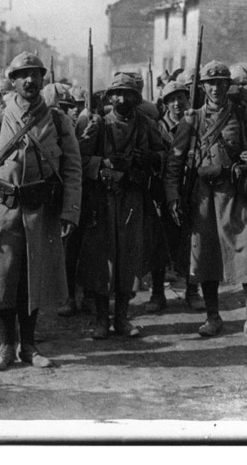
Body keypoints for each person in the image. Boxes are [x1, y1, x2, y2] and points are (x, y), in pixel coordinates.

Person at [0, 52, 82, 370]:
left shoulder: (58, 119)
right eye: (23, 74)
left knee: (33, 281)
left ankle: (29, 346)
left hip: (41, 212)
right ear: (13, 81)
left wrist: (70, 211)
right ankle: (5, 346)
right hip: (3, 211)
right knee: (3, 280)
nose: (30, 80)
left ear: (43, 79)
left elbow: (72, 168)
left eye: (36, 74)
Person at [163, 60, 247, 342]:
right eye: (210, 83)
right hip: (202, 195)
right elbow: (174, 163)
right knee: (206, 255)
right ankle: (213, 317)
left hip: (235, 192)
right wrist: (173, 196)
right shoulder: (191, 119)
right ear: (203, 87)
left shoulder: (241, 114)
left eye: (221, 83)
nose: (216, 88)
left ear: (229, 86)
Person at [77, 72, 168, 337]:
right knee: (101, 262)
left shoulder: (146, 124)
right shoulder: (98, 125)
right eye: (116, 93)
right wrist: (102, 165)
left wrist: (149, 157)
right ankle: (101, 320)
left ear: (136, 97)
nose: (121, 98)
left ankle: (122, 318)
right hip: (103, 200)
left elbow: (166, 155)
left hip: (133, 199)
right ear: (109, 97)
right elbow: (80, 160)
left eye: (128, 93)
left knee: (128, 259)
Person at [156, 80, 203, 311]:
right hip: (159, 189)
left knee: (192, 241)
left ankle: (192, 290)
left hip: (190, 187)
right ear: (165, 103)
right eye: (172, 99)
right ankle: (157, 293)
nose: (177, 103)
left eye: (181, 98)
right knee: (160, 241)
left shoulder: (195, 122)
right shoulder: (157, 127)